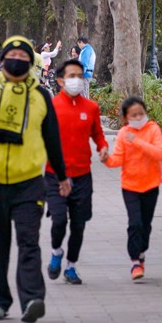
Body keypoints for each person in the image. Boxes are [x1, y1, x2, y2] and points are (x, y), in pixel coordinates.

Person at [0, 36, 70, 323]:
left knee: (29, 241)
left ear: (30, 62)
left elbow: (52, 139)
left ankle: (32, 298)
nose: (17, 58)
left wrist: (62, 176)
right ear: (3, 59)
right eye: (12, 54)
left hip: (30, 182)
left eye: (23, 54)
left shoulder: (42, 96)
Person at [45, 59, 109, 285]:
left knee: (79, 224)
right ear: (61, 81)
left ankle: (71, 266)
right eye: (72, 76)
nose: (77, 81)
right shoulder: (51, 106)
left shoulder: (90, 107)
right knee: (59, 220)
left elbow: (98, 134)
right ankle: (55, 252)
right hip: (54, 175)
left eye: (80, 76)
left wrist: (103, 148)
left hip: (83, 175)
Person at [102, 96, 162, 281]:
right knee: (135, 223)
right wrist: (106, 159)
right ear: (126, 118)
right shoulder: (123, 133)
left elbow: (159, 154)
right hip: (130, 186)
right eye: (134, 115)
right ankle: (135, 262)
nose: (138, 118)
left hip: (151, 185)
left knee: (145, 224)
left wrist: (137, 141)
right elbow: (117, 160)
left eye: (141, 114)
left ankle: (141, 252)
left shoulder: (153, 129)